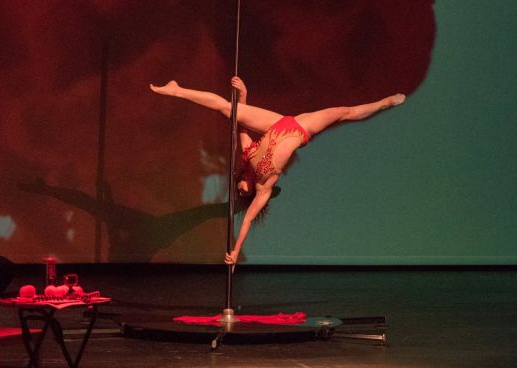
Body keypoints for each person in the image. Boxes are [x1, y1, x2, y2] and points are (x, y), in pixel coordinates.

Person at [150, 77, 406, 265]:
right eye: (242, 193)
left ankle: (177, 89)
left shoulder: (247, 154)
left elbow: (241, 122)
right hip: (301, 130)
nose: (239, 189)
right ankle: (384, 103)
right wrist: (236, 251)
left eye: (238, 189)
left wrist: (244, 95)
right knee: (343, 114)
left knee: (230, 109)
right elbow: (247, 221)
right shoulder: (264, 187)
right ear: (250, 192)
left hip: (278, 124)